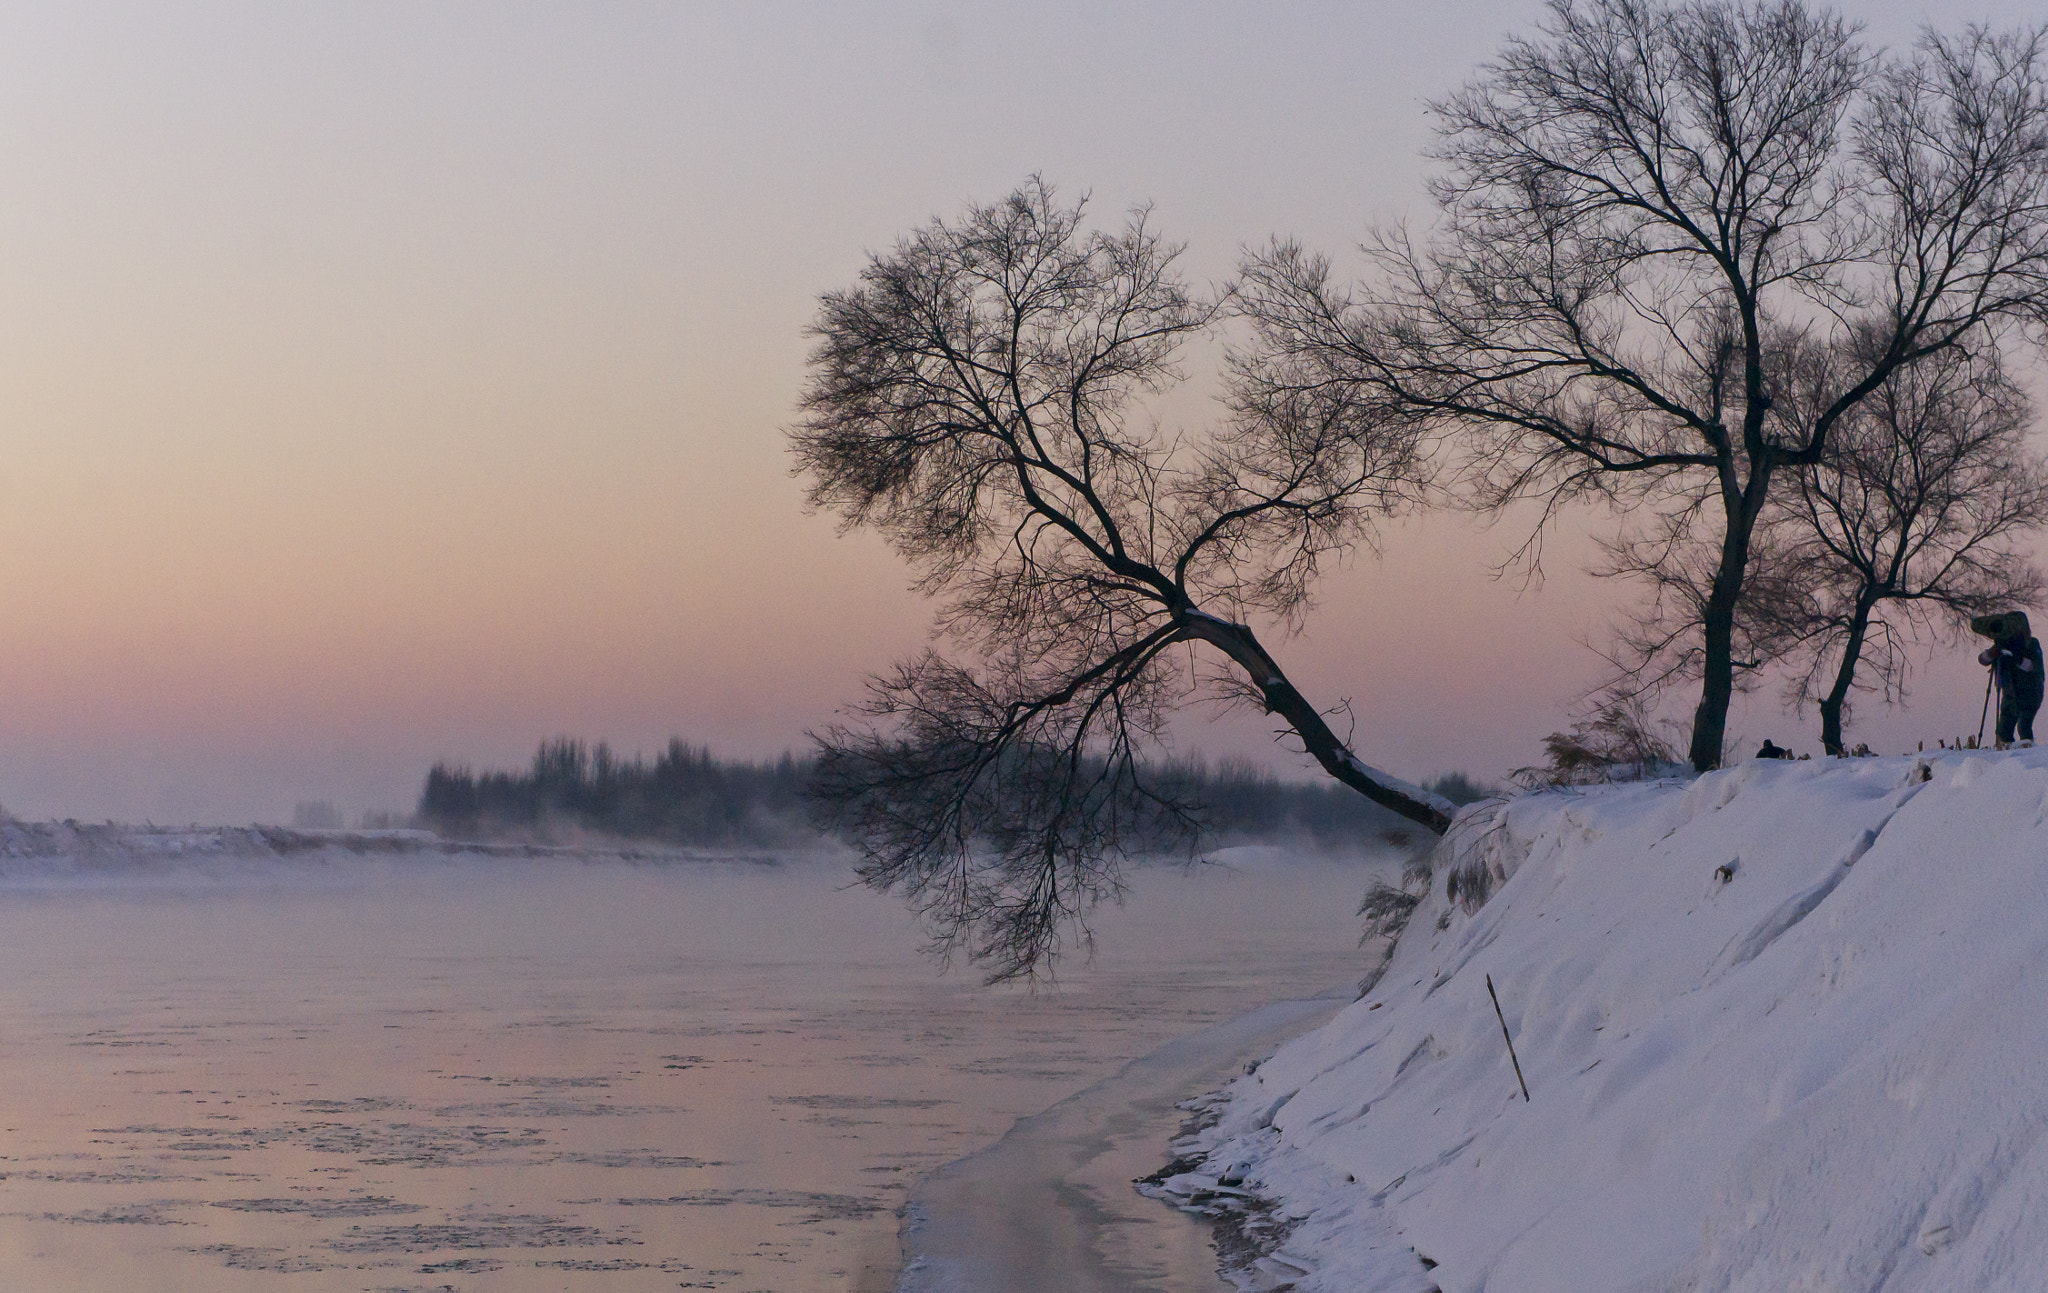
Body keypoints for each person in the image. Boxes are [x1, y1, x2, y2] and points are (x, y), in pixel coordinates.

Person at [1979, 615, 2045, 746]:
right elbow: (1983, 659)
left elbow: (2033, 666)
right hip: (2010, 692)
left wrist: (2015, 658)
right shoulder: (2003, 644)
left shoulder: (2031, 644)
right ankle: (2005, 753)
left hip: (2030, 691)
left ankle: (2027, 753)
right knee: (2004, 730)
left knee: (2024, 726)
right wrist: (1993, 653)